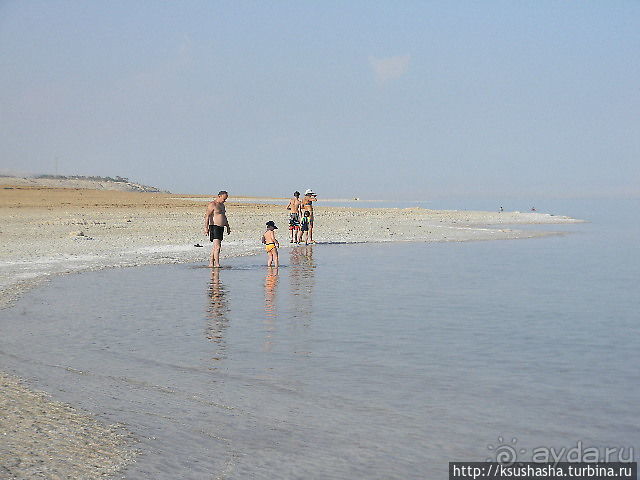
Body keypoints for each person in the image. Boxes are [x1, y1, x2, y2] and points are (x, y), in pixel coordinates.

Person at [203, 191, 231, 268]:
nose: (224, 200)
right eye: (224, 198)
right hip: (214, 227)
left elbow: (224, 216)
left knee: (216, 246)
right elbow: (207, 216)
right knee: (217, 247)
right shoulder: (212, 205)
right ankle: (217, 264)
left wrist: (227, 226)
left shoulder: (222, 205)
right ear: (219, 196)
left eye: (225, 199)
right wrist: (206, 228)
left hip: (221, 227)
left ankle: (211, 263)